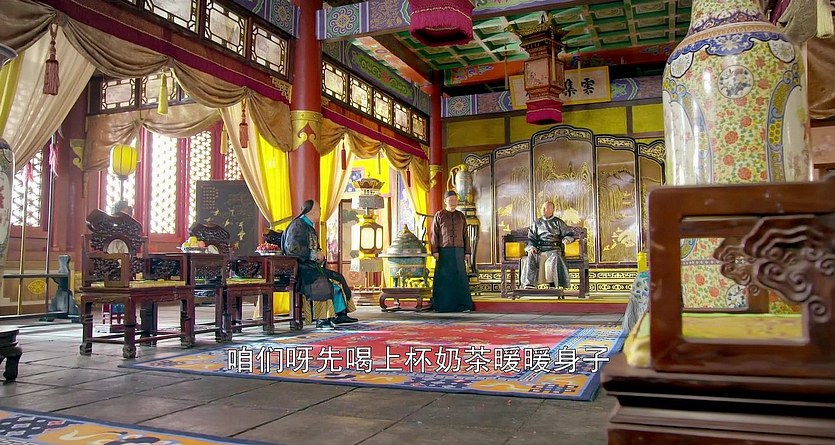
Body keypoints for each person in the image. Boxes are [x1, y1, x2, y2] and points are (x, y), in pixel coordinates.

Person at [282, 200, 358, 329]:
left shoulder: (309, 226)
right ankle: (322, 318)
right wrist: (313, 255)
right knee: (321, 283)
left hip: (312, 267)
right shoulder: (297, 226)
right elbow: (292, 249)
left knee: (337, 278)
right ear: (313, 211)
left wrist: (319, 256)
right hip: (301, 268)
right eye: (320, 210)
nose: (321, 212)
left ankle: (340, 313)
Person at [429, 190, 473, 312]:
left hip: (459, 251)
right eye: (450, 199)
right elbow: (434, 234)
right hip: (444, 251)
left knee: (460, 278)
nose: (453, 201)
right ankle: (443, 306)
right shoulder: (439, 215)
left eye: (455, 199)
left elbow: (465, 235)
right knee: (444, 278)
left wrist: (467, 252)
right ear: (445, 201)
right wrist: (435, 251)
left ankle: (462, 305)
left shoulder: (461, 216)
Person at [520, 201, 578, 290]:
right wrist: (532, 247)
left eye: (546, 208)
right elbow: (531, 238)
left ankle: (555, 285)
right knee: (531, 256)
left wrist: (567, 239)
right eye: (542, 208)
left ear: (552, 210)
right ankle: (529, 284)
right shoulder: (536, 223)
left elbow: (569, 234)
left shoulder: (558, 222)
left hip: (554, 249)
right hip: (539, 250)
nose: (543, 210)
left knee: (555, 258)